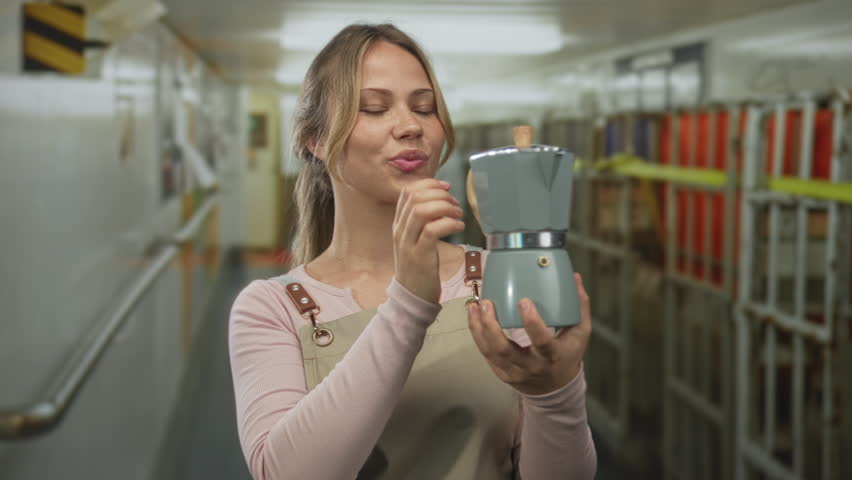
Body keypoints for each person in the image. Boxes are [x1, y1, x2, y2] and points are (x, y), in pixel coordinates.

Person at [228, 23, 596, 480]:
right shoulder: (272, 309)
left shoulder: (495, 275)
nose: (411, 126)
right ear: (316, 140)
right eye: (374, 108)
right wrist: (409, 302)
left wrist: (555, 395)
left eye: (424, 108)